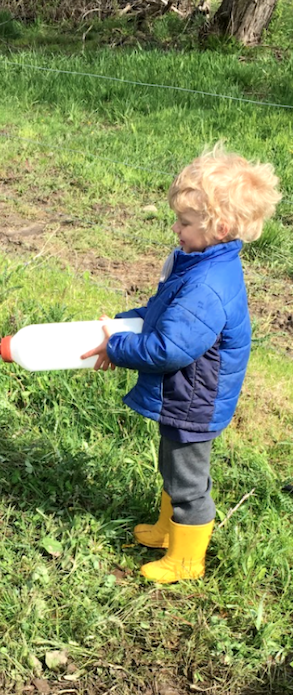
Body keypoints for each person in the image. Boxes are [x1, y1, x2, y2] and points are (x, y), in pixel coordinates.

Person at [82, 144, 281, 583]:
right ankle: (167, 528)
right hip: (186, 394)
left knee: (189, 478)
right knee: (171, 463)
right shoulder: (199, 265)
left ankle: (187, 560)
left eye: (185, 223)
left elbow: (169, 349)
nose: (176, 228)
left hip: (194, 400)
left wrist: (116, 349)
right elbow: (161, 315)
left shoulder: (206, 286)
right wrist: (122, 324)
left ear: (220, 226)